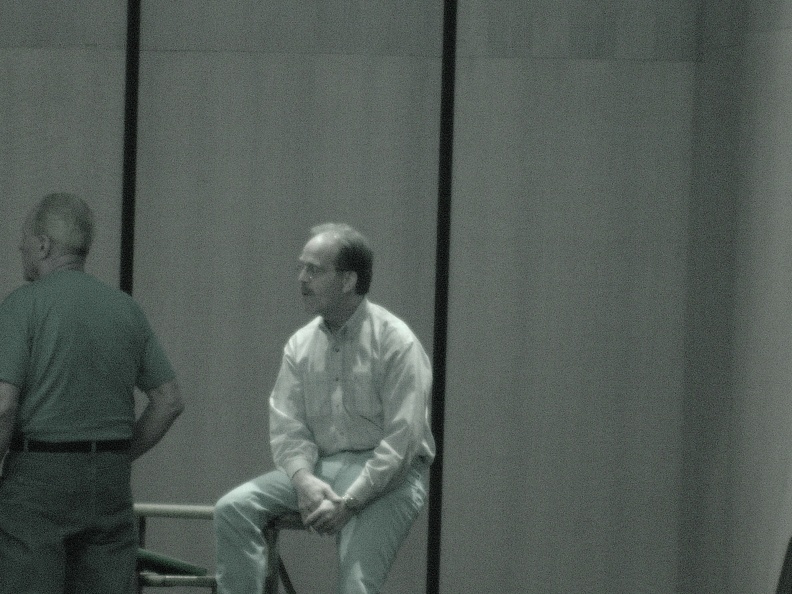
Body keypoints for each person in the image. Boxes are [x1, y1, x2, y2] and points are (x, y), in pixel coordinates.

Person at [214, 223, 435, 593]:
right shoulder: (300, 345)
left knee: (355, 584)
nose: (301, 279)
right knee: (233, 508)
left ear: (348, 280)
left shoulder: (396, 341)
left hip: (391, 477)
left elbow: (402, 443)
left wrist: (349, 503)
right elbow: (287, 428)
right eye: (300, 268)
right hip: (321, 468)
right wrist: (303, 480)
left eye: (313, 270)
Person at [0, 193, 184, 594]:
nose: (19, 248)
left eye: (24, 239)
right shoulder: (125, 309)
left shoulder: (22, 306)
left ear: (44, 245)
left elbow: (3, 405)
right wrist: (119, 454)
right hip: (110, 481)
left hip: (37, 479)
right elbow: (169, 401)